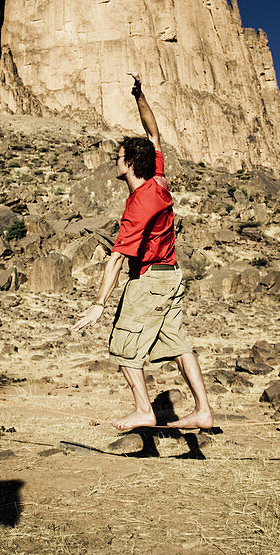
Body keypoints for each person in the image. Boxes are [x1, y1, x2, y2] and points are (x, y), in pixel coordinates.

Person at [71, 74, 214, 431]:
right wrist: (140, 97)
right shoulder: (159, 182)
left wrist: (99, 304)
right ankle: (203, 411)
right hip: (173, 278)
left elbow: (117, 257)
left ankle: (144, 411)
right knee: (180, 345)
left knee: (122, 347)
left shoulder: (138, 204)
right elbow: (154, 136)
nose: (114, 162)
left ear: (131, 163)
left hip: (149, 282)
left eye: (118, 157)